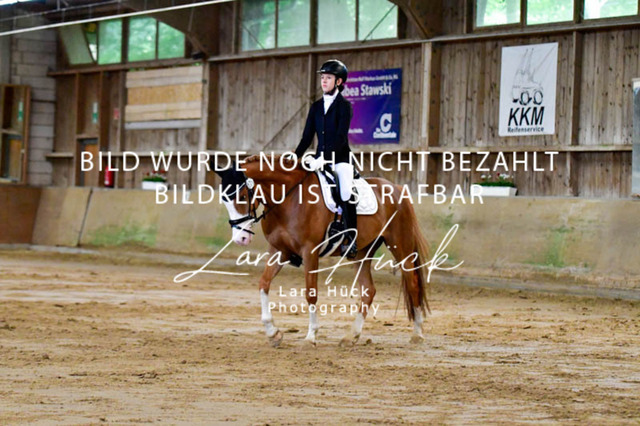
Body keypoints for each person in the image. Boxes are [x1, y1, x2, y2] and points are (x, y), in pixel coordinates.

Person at [294, 59, 357, 259]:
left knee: (345, 191)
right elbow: (307, 137)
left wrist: (326, 158)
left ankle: (350, 238)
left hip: (340, 159)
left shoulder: (344, 106)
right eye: (322, 78)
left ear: (338, 82)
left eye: (328, 78)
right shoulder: (315, 107)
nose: (324, 81)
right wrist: (294, 157)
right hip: (318, 159)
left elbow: (340, 137)